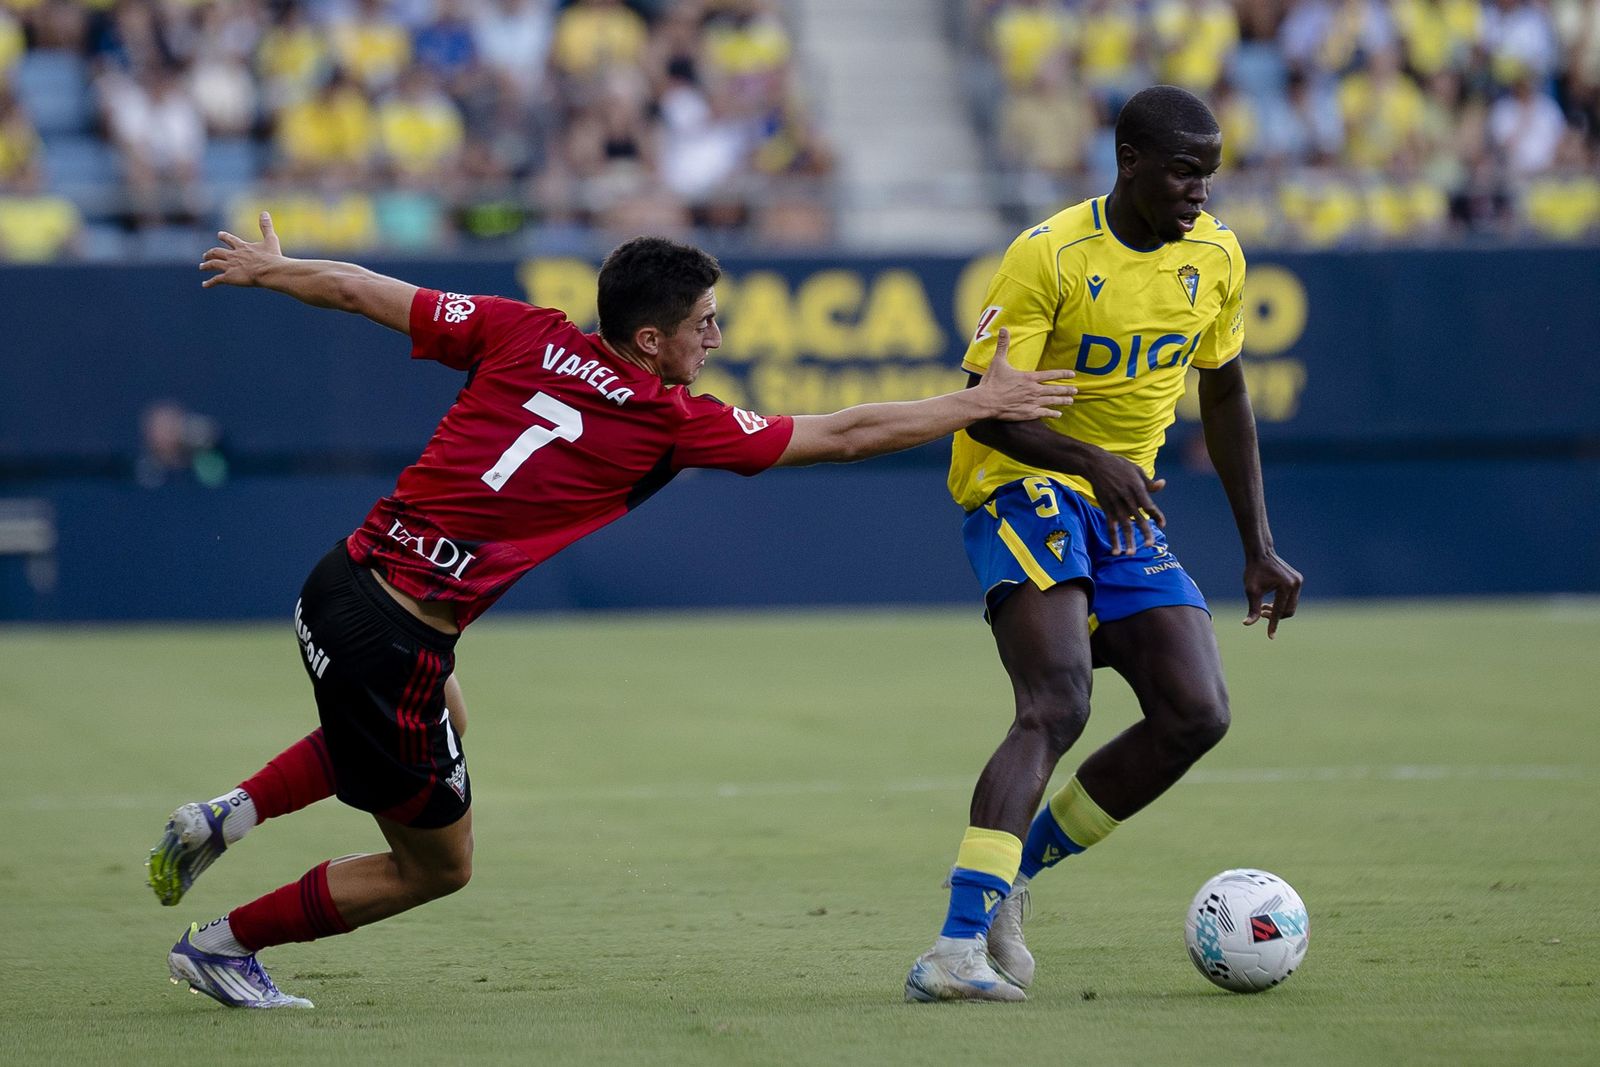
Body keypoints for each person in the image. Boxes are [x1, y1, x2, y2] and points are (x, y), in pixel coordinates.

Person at [147, 214, 1075, 1009]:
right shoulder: (669, 421)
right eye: (704, 324)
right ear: (648, 340)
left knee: (438, 712)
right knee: (437, 865)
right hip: (395, 640)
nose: (715, 337)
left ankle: (228, 813)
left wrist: (274, 270)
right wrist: (976, 402)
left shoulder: (522, 329)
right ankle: (225, 945)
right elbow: (843, 433)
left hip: (339, 581)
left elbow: (359, 288)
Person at [904, 85, 1303, 1003]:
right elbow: (987, 410)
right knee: (1056, 701)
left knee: (1196, 711)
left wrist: (1258, 545)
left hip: (1121, 502)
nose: (1199, 191)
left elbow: (1227, 392)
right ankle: (953, 951)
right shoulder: (1047, 256)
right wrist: (1093, 458)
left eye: (1209, 173)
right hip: (1021, 481)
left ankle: (1014, 877)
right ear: (1128, 163)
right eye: (1182, 170)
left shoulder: (1217, 256)